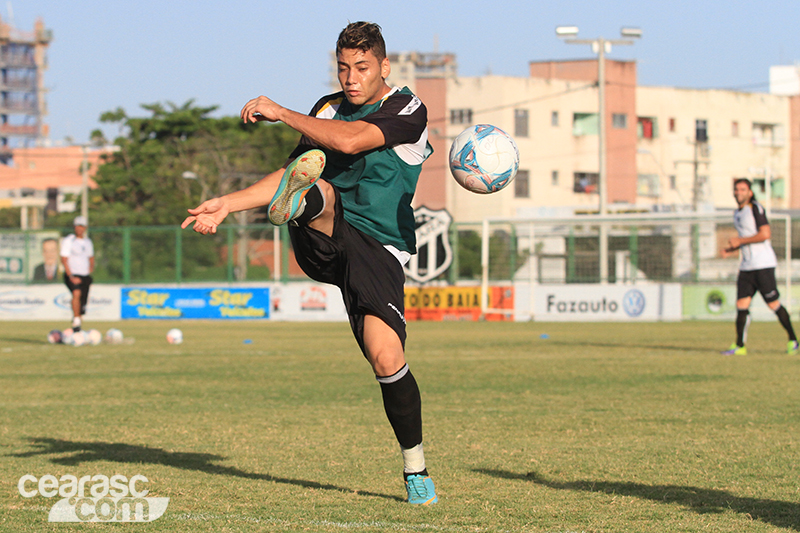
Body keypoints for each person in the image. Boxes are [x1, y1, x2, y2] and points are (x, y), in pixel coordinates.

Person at [182, 22, 436, 505]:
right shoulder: (325, 109)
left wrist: (279, 111)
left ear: (384, 67)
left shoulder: (408, 108)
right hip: (325, 230)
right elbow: (290, 170)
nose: (351, 77)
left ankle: (415, 468)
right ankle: (300, 206)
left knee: (388, 359)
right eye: (343, 68)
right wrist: (228, 204)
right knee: (316, 188)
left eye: (361, 68)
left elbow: (351, 142)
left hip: (380, 248)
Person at [721, 178, 798, 356]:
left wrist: (740, 241)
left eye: (742, 189)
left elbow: (765, 234)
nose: (738, 192)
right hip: (747, 266)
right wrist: (733, 247)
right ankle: (739, 345)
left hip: (763, 265)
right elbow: (749, 237)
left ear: (750, 192)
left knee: (773, 304)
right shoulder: (737, 213)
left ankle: (793, 340)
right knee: (742, 305)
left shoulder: (755, 208)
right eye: (736, 189)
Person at [60, 216, 94, 332]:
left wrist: (90, 269)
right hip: (73, 274)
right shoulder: (69, 241)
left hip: (85, 275)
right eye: (78, 226)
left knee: (83, 303)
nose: (80, 229)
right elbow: (64, 258)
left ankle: (78, 323)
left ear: (85, 227)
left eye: (82, 226)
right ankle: (76, 321)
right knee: (76, 293)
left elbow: (91, 257)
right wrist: (71, 276)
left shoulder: (88, 242)